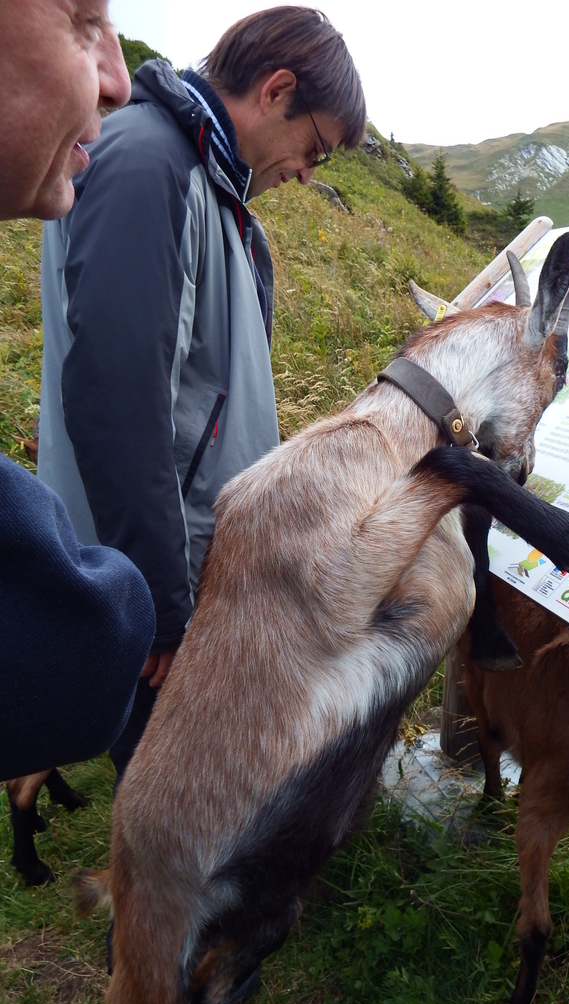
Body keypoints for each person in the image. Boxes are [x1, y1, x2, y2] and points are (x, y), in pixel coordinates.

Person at [39, 7, 367, 776]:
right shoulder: (150, 165)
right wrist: (157, 598)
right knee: (167, 796)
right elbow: (117, 392)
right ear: (277, 88)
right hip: (159, 579)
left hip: (187, 567)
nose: (307, 172)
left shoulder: (205, 180)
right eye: (314, 146)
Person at [0, 0, 156, 780]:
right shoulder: (152, 166)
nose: (117, 80)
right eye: (84, 18)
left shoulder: (220, 191)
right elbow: (70, 653)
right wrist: (152, 597)